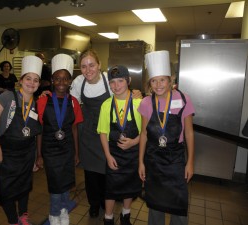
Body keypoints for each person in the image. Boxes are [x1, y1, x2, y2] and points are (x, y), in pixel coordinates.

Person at [70, 49, 142, 218]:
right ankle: (94, 204)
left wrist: (136, 93)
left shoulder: (108, 80)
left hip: (107, 132)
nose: (88, 70)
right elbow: (69, 102)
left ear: (99, 65)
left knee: (106, 170)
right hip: (87, 133)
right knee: (90, 173)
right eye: (84, 66)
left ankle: (106, 201)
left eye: (92, 65)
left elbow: (122, 96)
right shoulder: (78, 82)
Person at [138, 50, 195, 225]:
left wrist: (190, 161)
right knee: (155, 204)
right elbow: (144, 133)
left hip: (176, 159)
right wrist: (141, 162)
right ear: (149, 83)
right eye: (153, 80)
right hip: (154, 159)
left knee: (178, 203)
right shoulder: (146, 103)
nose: (158, 84)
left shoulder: (183, 99)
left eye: (162, 79)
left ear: (170, 79)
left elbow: (189, 133)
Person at [0, 55, 43, 225]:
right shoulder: (7, 97)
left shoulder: (37, 103)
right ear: (20, 80)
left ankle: (23, 216)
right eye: (28, 78)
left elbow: (34, 134)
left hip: (27, 153)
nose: (31, 83)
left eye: (35, 80)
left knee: (24, 187)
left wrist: (34, 158)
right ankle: (13, 220)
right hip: (7, 152)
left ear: (39, 84)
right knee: (7, 189)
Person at [36, 53, 83, 225]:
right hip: (50, 149)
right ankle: (54, 214)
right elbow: (39, 130)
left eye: (65, 79)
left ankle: (64, 210)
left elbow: (74, 129)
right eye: (57, 79)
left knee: (67, 181)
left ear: (70, 81)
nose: (61, 83)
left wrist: (76, 153)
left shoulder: (73, 103)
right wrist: (39, 155)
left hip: (68, 148)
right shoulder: (42, 101)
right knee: (55, 183)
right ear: (52, 80)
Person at [97, 65, 142, 225]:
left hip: (133, 153)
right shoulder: (106, 105)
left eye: (120, 81)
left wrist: (133, 142)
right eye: (112, 82)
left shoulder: (139, 103)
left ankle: (125, 215)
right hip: (114, 154)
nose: (116, 86)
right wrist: (108, 156)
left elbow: (145, 132)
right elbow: (103, 133)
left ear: (129, 81)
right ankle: (108, 217)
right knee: (111, 188)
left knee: (129, 185)